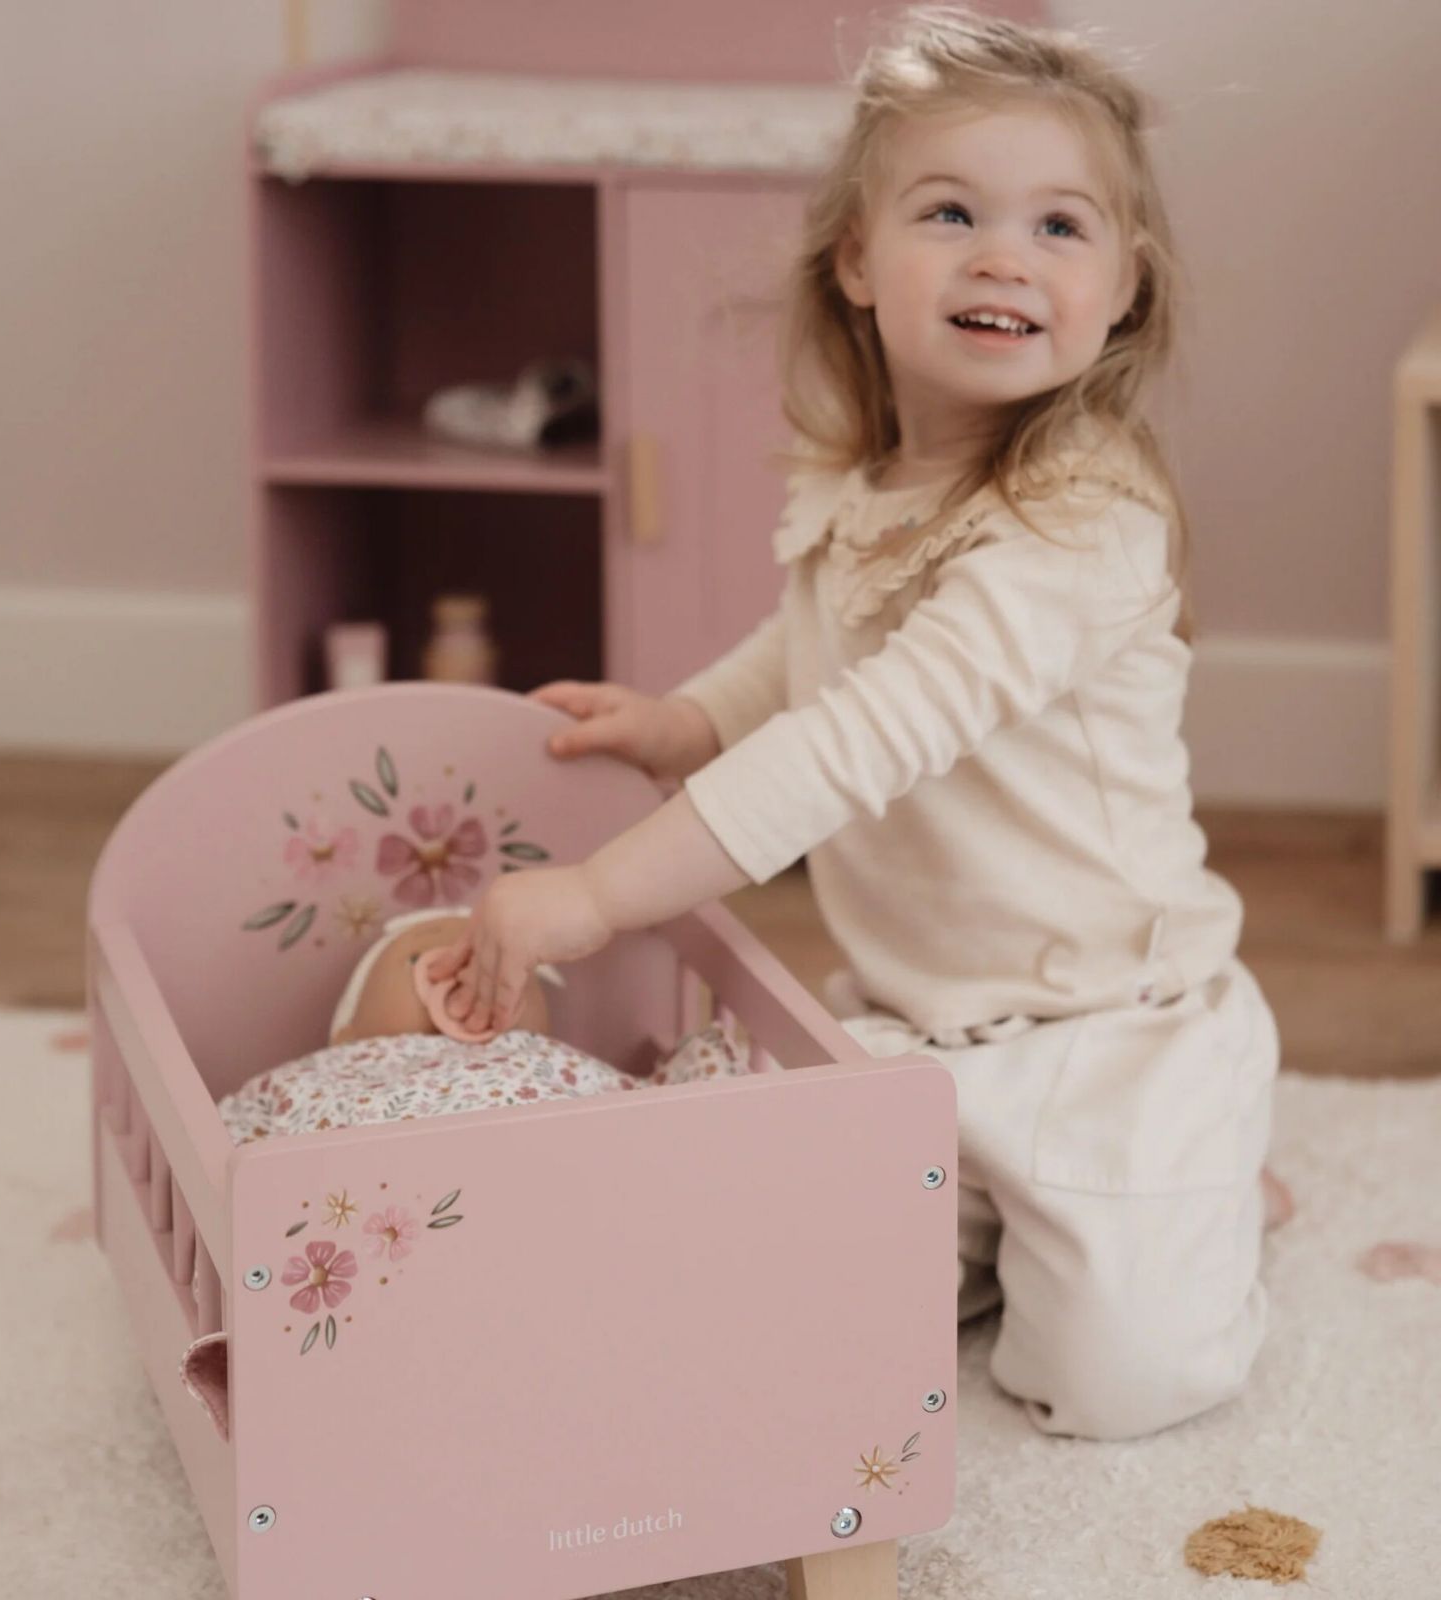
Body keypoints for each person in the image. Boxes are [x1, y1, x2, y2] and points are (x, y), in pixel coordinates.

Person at [427, 4, 1281, 1442]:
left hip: (1110, 1036)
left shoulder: (1081, 523)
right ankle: (1032, 1224)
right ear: (857, 261)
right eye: (951, 213)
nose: (1004, 256)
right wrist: (686, 721)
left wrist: (600, 894)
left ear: (1126, 285)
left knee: (1118, 1381)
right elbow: (811, 646)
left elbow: (859, 737)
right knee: (781, 1290)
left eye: (1060, 226)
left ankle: (1207, 1186)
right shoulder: (867, 481)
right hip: (916, 1025)